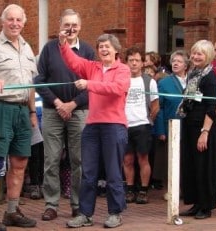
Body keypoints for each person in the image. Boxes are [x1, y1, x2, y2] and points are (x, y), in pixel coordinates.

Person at [58, 33, 130, 228]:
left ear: (116, 50)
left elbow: (116, 89)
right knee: (88, 173)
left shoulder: (123, 69)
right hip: (92, 126)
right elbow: (74, 62)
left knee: (113, 172)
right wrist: (64, 44)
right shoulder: (93, 67)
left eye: (107, 46)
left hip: (114, 125)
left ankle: (115, 213)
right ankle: (85, 214)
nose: (103, 50)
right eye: (100, 47)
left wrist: (89, 84)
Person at [0, 4, 37, 230]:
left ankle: (11, 212)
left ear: (24, 22)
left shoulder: (27, 47)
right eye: (10, 19)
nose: (15, 23)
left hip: (23, 110)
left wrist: (32, 111)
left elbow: (30, 84)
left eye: (18, 20)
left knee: (20, 161)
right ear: (3, 22)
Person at [35, 9, 95, 221]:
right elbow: (39, 81)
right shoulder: (49, 49)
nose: (70, 29)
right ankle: (51, 204)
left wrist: (72, 104)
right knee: (51, 159)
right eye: (66, 24)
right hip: (52, 111)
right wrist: (59, 103)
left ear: (80, 27)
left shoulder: (87, 50)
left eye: (74, 25)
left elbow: (94, 84)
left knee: (79, 160)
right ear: (59, 26)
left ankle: (77, 204)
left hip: (79, 112)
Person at [178, 40, 216, 219]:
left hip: (203, 127)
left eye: (200, 54)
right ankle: (195, 202)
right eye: (194, 53)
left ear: (208, 56)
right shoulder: (193, 73)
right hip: (189, 124)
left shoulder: (210, 77)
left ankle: (206, 206)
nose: (195, 57)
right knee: (191, 166)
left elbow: (211, 106)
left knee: (204, 167)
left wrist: (205, 132)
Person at [123, 46, 159, 204]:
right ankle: (130, 190)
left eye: (137, 60)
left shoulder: (149, 81)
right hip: (124, 125)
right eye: (131, 60)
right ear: (126, 62)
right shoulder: (122, 79)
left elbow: (155, 105)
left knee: (143, 158)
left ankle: (143, 190)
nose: (134, 63)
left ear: (142, 63)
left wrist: (149, 119)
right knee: (127, 159)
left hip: (142, 125)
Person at [153, 49, 189, 199]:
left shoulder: (192, 80)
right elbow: (158, 108)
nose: (175, 63)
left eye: (179, 61)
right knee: (169, 160)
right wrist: (160, 130)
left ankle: (186, 189)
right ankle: (170, 189)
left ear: (186, 65)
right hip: (170, 125)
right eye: (173, 61)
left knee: (186, 160)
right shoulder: (164, 82)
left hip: (188, 126)